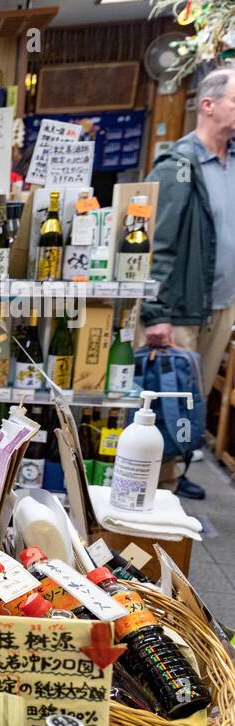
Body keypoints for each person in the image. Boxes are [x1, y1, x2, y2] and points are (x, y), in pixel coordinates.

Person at [141, 65, 235, 500]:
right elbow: (157, 243)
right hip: (182, 308)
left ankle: (175, 472)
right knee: (170, 396)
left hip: (221, 303)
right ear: (208, 104)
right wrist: (155, 313)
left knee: (193, 399)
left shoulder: (230, 163)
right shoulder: (178, 165)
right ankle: (158, 484)